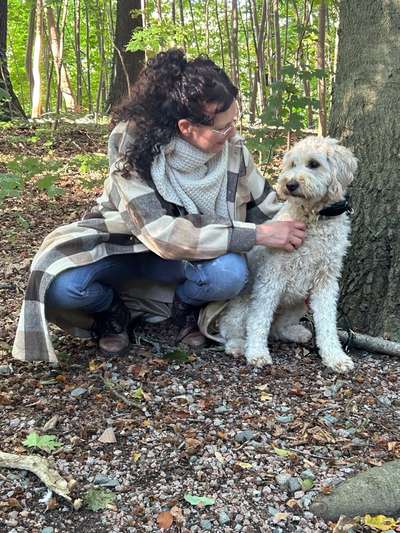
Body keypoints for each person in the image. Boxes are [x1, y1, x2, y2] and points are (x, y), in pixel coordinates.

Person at [12, 49, 306, 364]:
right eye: (223, 127)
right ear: (186, 128)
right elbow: (161, 234)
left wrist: (307, 256)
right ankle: (111, 311)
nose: (232, 133)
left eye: (235, 121)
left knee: (230, 272)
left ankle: (185, 309)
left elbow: (271, 210)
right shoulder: (133, 148)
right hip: (121, 248)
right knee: (60, 287)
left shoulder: (233, 150)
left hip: (186, 262)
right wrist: (257, 234)